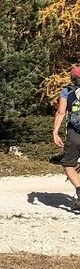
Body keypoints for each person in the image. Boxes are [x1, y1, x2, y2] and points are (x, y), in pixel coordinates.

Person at [51, 66, 80, 208]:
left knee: (68, 163)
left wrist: (55, 131)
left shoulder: (67, 91)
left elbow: (61, 112)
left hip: (75, 133)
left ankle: (79, 192)